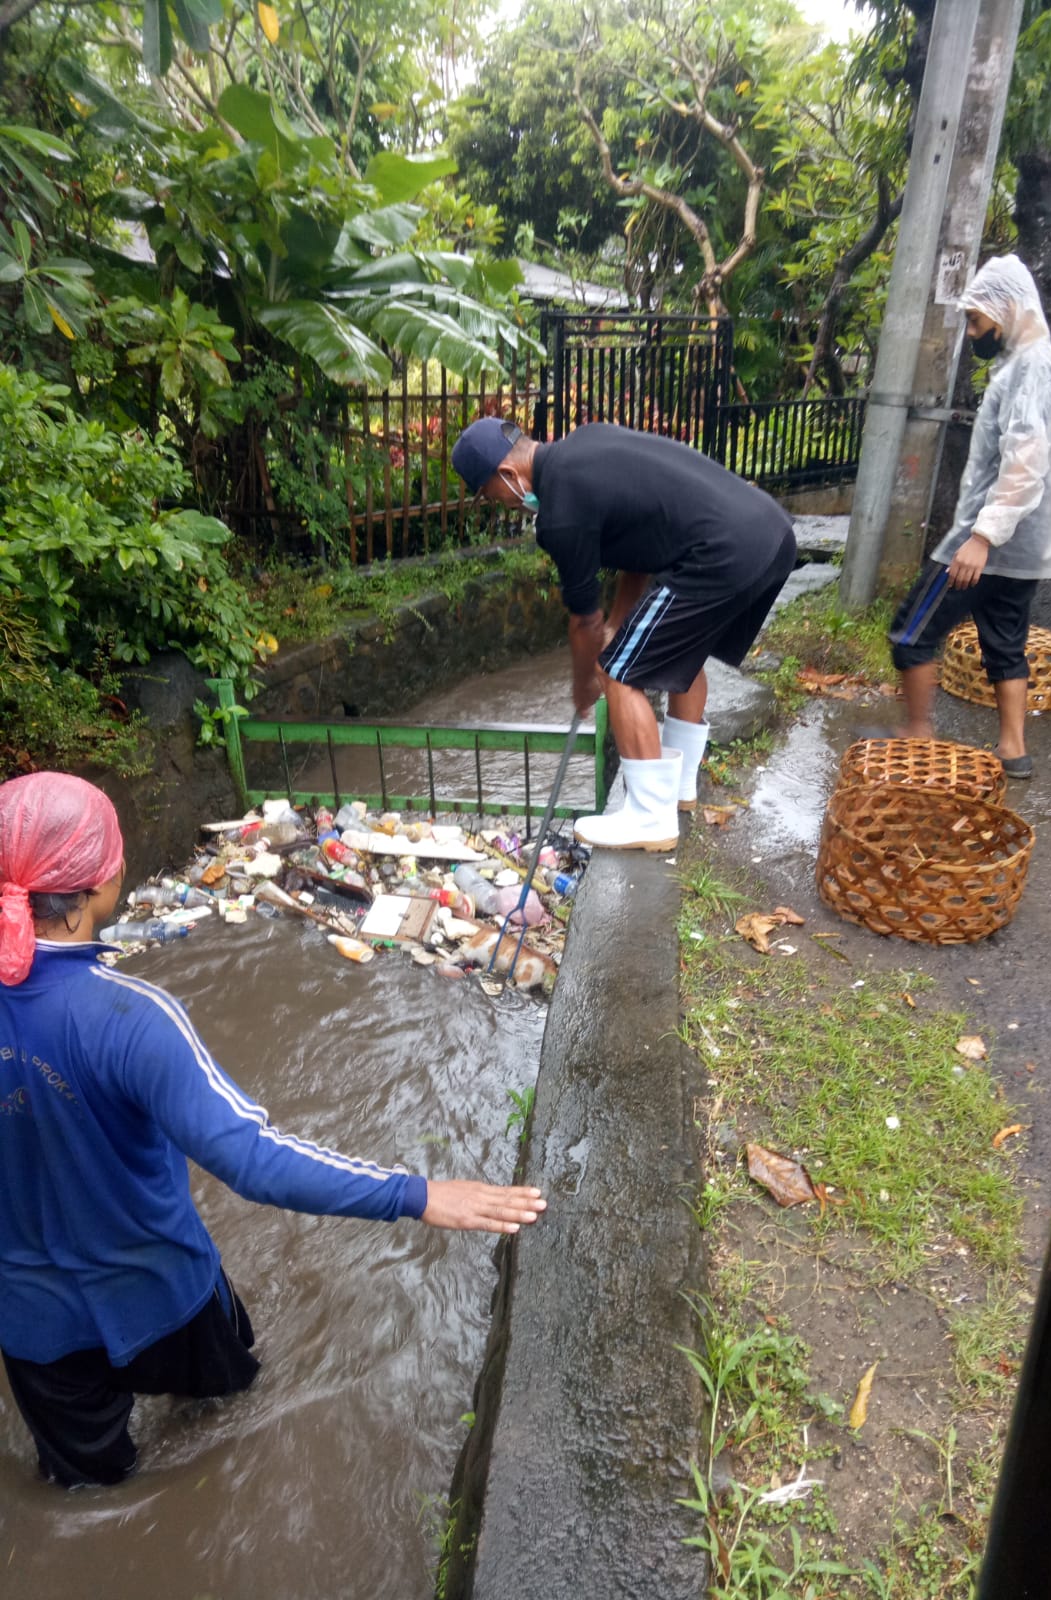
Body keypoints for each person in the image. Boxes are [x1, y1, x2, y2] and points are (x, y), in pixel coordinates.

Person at [0, 772, 546, 1489]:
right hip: (165, 1296)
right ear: (95, 884)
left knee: (87, 1494)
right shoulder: (131, 1017)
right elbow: (254, 1161)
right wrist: (414, 1193)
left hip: (32, 1330)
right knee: (229, 1419)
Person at [451, 419, 796, 850]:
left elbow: (584, 622)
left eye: (489, 495)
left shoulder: (560, 514)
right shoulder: (587, 445)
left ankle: (650, 819)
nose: (499, 504)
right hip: (769, 534)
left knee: (616, 672)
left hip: (724, 551)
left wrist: (583, 686)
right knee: (681, 657)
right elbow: (640, 549)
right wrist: (620, 622)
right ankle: (679, 787)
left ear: (507, 475)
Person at [886, 254, 1051, 779]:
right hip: (1026, 547)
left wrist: (982, 537)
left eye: (976, 321)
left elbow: (1025, 458)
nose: (973, 333)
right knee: (1004, 644)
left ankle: (917, 733)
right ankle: (1013, 750)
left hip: (986, 545)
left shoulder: (1033, 368)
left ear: (1009, 309)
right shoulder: (1043, 364)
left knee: (910, 632)